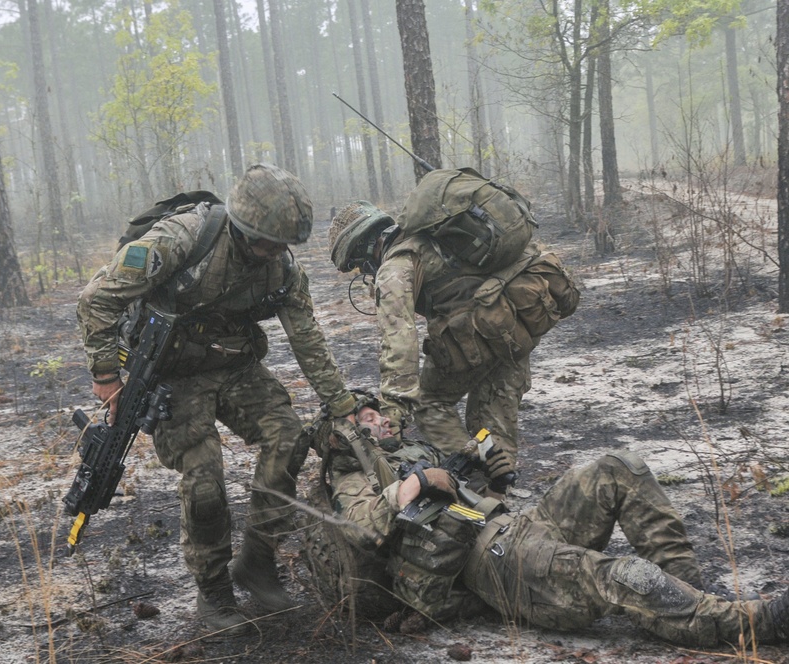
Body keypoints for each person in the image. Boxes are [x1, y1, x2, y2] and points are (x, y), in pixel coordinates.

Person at [77, 164, 358, 635]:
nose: (276, 253)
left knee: (289, 438)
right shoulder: (181, 240)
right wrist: (106, 376)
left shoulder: (282, 267)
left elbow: (307, 337)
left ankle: (258, 561)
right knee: (205, 478)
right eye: (267, 242)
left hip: (233, 364)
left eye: (283, 245)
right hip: (171, 372)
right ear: (244, 229)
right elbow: (96, 300)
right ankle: (214, 593)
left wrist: (343, 404)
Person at [303, 400, 789, 648]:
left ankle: (693, 602)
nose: (382, 421)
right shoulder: (351, 477)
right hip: (491, 563)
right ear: (346, 435)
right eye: (367, 418)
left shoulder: (412, 451)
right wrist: (412, 484)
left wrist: (490, 480)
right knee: (618, 575)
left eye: (379, 412)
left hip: (512, 526)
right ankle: (754, 623)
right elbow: (366, 528)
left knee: (619, 467)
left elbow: (470, 510)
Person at [327, 196, 578, 495]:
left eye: (358, 265)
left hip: (482, 334)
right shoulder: (434, 235)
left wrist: (394, 409)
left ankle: (474, 481)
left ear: (365, 250)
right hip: (519, 322)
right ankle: (497, 499)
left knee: (430, 402)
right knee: (492, 415)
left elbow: (399, 341)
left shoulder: (395, 267)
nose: (363, 272)